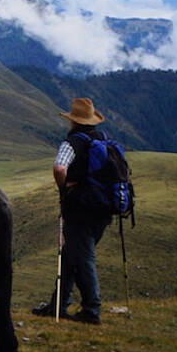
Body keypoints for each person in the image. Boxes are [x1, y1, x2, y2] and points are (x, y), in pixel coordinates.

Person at [33, 97, 111, 324]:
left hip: (79, 209)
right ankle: (58, 305)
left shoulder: (72, 142)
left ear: (73, 121)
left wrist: (64, 187)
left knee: (83, 258)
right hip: (103, 209)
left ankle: (92, 310)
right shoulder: (103, 139)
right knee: (70, 256)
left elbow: (59, 168)